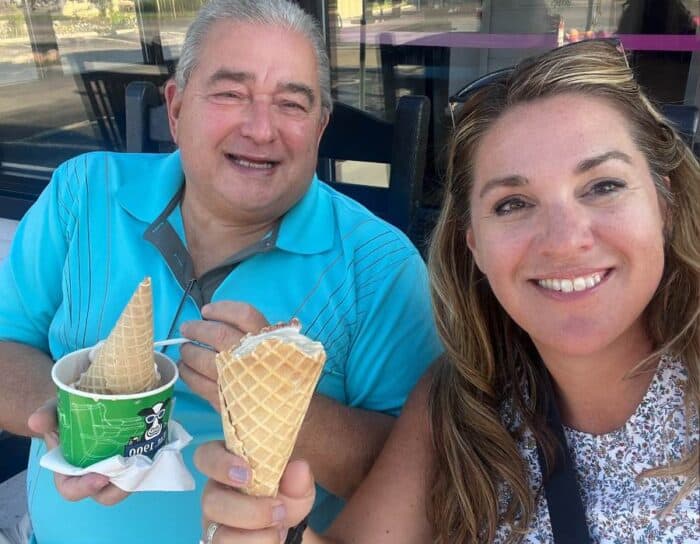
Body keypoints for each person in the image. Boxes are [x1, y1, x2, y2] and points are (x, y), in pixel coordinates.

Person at [195, 39, 700, 543]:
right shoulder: (458, 403)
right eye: (513, 203)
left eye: (603, 186)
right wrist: (270, 531)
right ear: (474, 246)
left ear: (666, 202)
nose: (566, 241)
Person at [0, 0, 443, 542]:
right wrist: (71, 424)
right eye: (231, 93)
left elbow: (419, 478)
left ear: (321, 127)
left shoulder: (381, 267)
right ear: (177, 107)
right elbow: (6, 344)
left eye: (292, 104)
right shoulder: (81, 193)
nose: (261, 129)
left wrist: (279, 399)